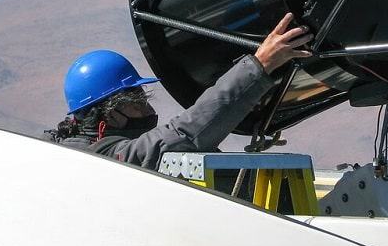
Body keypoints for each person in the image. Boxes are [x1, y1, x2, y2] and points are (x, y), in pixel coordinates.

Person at [46, 13, 312, 168]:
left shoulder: (53, 153)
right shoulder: (108, 161)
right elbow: (184, 133)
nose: (149, 111)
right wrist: (259, 66)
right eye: (137, 103)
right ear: (110, 115)